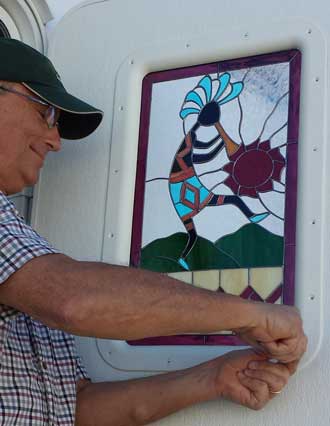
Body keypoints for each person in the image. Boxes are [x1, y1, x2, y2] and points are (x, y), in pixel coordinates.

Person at [0, 38, 307, 426]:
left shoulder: (21, 241)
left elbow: (73, 409)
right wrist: (249, 315)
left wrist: (212, 378)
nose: (56, 141)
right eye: (46, 113)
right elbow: (74, 301)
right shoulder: (47, 279)